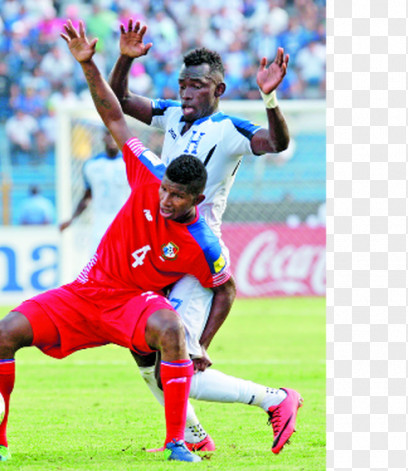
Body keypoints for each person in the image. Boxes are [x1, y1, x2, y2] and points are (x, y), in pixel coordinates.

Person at [0, 20, 234, 463]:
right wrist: (89, 63)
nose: (165, 199)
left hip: (134, 302)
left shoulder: (202, 242)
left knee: (172, 330)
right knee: (2, 333)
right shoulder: (148, 173)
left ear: (198, 199)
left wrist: (204, 341)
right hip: (86, 293)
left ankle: (178, 443)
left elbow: (225, 288)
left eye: (177, 196)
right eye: (165, 190)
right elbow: (114, 114)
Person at [109, 19, 299, 454]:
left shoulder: (230, 129)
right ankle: (193, 435)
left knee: (180, 365)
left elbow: (276, 143)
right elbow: (119, 100)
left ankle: (276, 399)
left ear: (219, 90)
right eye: (182, 85)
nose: (186, 93)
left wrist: (269, 97)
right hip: (159, 244)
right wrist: (124, 58)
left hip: (196, 250)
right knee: (140, 347)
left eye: (196, 86)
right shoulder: (171, 114)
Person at [59, 130, 130, 253]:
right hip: (100, 224)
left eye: (115, 134)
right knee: (97, 262)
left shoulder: (130, 163)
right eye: (109, 134)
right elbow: (87, 196)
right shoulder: (91, 165)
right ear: (103, 137)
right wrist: (72, 219)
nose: (112, 138)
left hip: (125, 224)